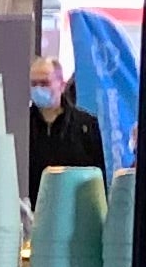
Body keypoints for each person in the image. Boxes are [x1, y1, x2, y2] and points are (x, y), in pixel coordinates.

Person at [24, 53, 105, 191]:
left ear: (61, 85)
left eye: (44, 83)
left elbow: (97, 178)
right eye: (34, 84)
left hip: (73, 201)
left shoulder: (85, 125)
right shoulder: (24, 126)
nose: (38, 89)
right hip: (32, 201)